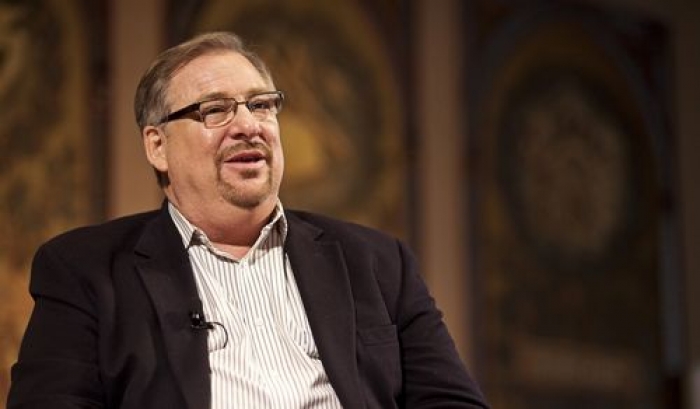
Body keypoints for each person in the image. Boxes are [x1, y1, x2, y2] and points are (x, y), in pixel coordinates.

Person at [7, 31, 488, 409]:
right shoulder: (87, 270)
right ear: (157, 146)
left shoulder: (377, 262)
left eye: (261, 105)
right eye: (215, 110)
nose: (248, 125)